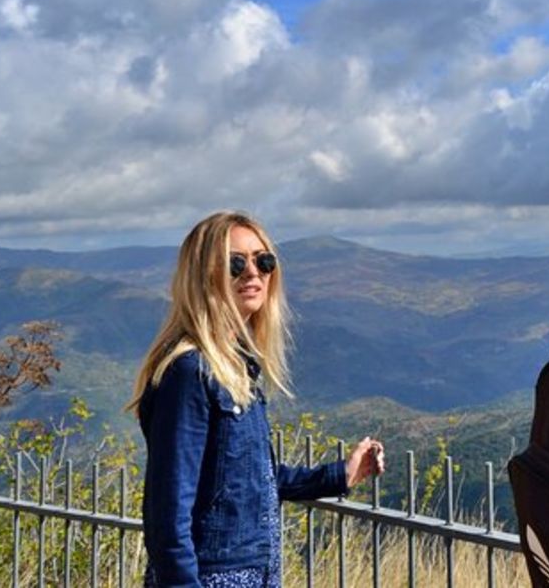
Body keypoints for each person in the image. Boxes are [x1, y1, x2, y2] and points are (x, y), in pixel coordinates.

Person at [129, 210, 385, 587]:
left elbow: (248, 479)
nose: (253, 273)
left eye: (263, 261)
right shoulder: (190, 373)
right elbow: (167, 516)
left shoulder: (236, 368)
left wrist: (340, 474)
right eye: (235, 263)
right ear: (202, 276)